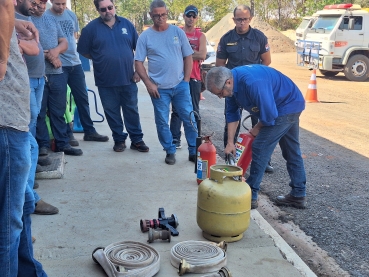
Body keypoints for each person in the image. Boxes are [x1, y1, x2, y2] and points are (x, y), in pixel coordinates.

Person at [205, 65, 307, 210]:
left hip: (286, 105)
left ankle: (251, 195)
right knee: (291, 151)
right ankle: (298, 194)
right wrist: (230, 143)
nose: (221, 97)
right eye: (217, 95)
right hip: (282, 105)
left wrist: (255, 130)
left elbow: (270, 115)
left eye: (220, 93)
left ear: (228, 82)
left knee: (260, 146)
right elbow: (232, 114)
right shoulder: (231, 87)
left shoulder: (253, 83)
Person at [0, 1, 48, 274]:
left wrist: (13, 25)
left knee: (24, 206)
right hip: (6, 122)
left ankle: (30, 271)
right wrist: (3, 59)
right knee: (9, 221)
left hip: (15, 122)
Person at [77, 0, 149, 153]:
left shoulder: (127, 25)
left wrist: (138, 71)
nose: (107, 11)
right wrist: (100, 57)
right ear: (98, 10)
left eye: (110, 7)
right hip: (105, 81)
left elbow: (139, 50)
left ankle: (136, 140)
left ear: (114, 6)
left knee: (131, 111)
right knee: (112, 112)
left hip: (128, 79)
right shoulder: (90, 29)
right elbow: (83, 50)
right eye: (103, 9)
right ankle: (119, 140)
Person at [135, 0, 198, 165]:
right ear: (151, 15)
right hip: (159, 89)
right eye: (156, 15)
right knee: (162, 121)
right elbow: (138, 62)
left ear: (167, 13)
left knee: (189, 118)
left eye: (163, 14)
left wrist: (185, 80)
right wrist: (148, 83)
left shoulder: (177, 32)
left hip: (180, 85)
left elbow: (188, 56)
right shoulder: (145, 37)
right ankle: (170, 150)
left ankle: (193, 150)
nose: (160, 18)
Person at [216, 5, 274, 173]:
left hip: (254, 90)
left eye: (245, 19)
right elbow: (220, 66)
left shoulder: (259, 37)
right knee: (231, 121)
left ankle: (263, 159)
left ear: (250, 19)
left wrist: (257, 81)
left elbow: (266, 62)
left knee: (260, 122)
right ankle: (230, 155)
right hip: (232, 89)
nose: (241, 22)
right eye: (238, 19)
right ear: (233, 20)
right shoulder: (226, 39)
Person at [15, 0, 59, 215]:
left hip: (38, 78)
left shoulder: (26, 19)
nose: (38, 5)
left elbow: (37, 46)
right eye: (34, 1)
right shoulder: (12, 18)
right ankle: (28, 197)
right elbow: (31, 48)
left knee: (29, 135)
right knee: (27, 142)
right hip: (24, 82)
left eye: (42, 2)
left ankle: (28, 187)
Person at [47, 0, 109, 146]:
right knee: (60, 102)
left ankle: (89, 131)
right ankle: (66, 135)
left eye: (63, 3)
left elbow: (72, 37)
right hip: (58, 66)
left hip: (75, 64)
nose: (61, 7)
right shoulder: (46, 17)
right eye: (57, 4)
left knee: (82, 98)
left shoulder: (71, 15)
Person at [169, 4, 206, 149]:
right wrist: (191, 53)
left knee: (194, 110)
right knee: (177, 110)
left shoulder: (200, 36)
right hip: (177, 76)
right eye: (188, 15)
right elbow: (172, 51)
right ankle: (175, 139)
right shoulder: (177, 32)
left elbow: (202, 54)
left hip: (194, 77)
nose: (191, 18)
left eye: (194, 16)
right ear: (184, 16)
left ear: (196, 18)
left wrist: (183, 52)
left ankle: (196, 141)